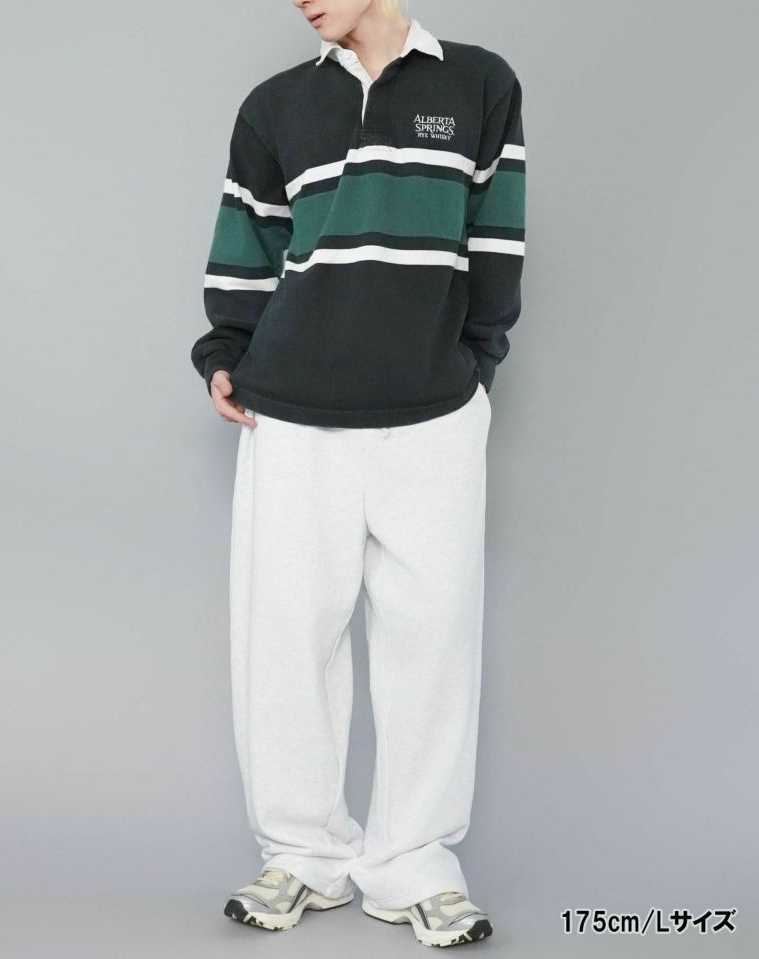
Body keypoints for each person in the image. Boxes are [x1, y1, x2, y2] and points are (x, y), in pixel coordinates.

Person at [190, 0, 525, 947]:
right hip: (291, 414)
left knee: (433, 641)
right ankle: (302, 854)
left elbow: (496, 241)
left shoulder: (480, 83)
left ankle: (414, 861)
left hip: (434, 416)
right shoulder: (275, 107)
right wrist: (224, 351)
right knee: (287, 641)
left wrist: (474, 370)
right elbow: (248, 243)